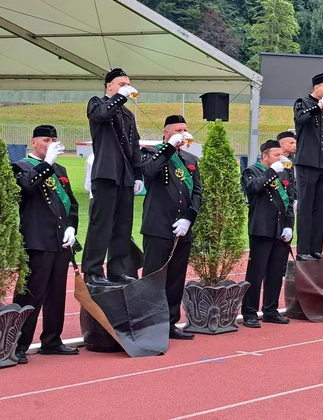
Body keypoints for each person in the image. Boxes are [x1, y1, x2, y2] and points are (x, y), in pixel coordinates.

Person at [12, 125, 79, 364]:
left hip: (60, 242)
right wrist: (47, 162)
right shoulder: (20, 166)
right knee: (30, 295)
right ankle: (18, 343)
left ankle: (52, 340)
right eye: (45, 140)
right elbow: (28, 187)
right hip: (37, 241)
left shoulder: (60, 169)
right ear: (33, 142)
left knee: (57, 295)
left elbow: (72, 203)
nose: (50, 143)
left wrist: (72, 227)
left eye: (53, 139)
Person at [140, 115, 202, 340]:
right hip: (158, 226)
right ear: (166, 132)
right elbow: (148, 171)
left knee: (176, 279)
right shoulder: (150, 152)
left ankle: (170, 323)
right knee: (153, 278)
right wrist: (169, 147)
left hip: (182, 228)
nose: (183, 134)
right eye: (178, 130)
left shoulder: (191, 159)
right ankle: (148, 324)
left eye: (185, 130)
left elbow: (197, 192)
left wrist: (189, 218)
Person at [82, 68, 143, 286]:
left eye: (128, 83)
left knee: (123, 225)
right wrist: (120, 96)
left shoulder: (127, 114)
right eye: (121, 83)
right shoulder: (97, 103)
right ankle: (93, 271)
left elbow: (134, 145)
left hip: (125, 174)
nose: (125, 87)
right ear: (109, 85)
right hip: (106, 172)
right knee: (102, 223)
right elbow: (102, 115)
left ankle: (118, 269)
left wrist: (138, 174)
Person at [241, 140, 293, 327]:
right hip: (261, 229)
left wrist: (289, 225)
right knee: (256, 273)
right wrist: (272, 172)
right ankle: (249, 312)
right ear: (265, 156)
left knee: (275, 273)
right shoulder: (251, 171)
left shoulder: (283, 172)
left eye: (281, 155)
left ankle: (270, 310)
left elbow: (289, 201)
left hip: (279, 230)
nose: (281, 158)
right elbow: (254, 188)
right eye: (276, 155)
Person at [293, 73, 323, 261]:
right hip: (307, 161)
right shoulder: (302, 102)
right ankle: (303, 250)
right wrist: (319, 106)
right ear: (316, 87)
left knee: (321, 207)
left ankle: (316, 248)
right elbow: (301, 120)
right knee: (306, 205)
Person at [277, 131, 297, 213]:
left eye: (295, 143)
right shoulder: (277, 160)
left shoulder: (294, 159)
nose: (294, 145)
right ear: (282, 143)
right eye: (291, 143)